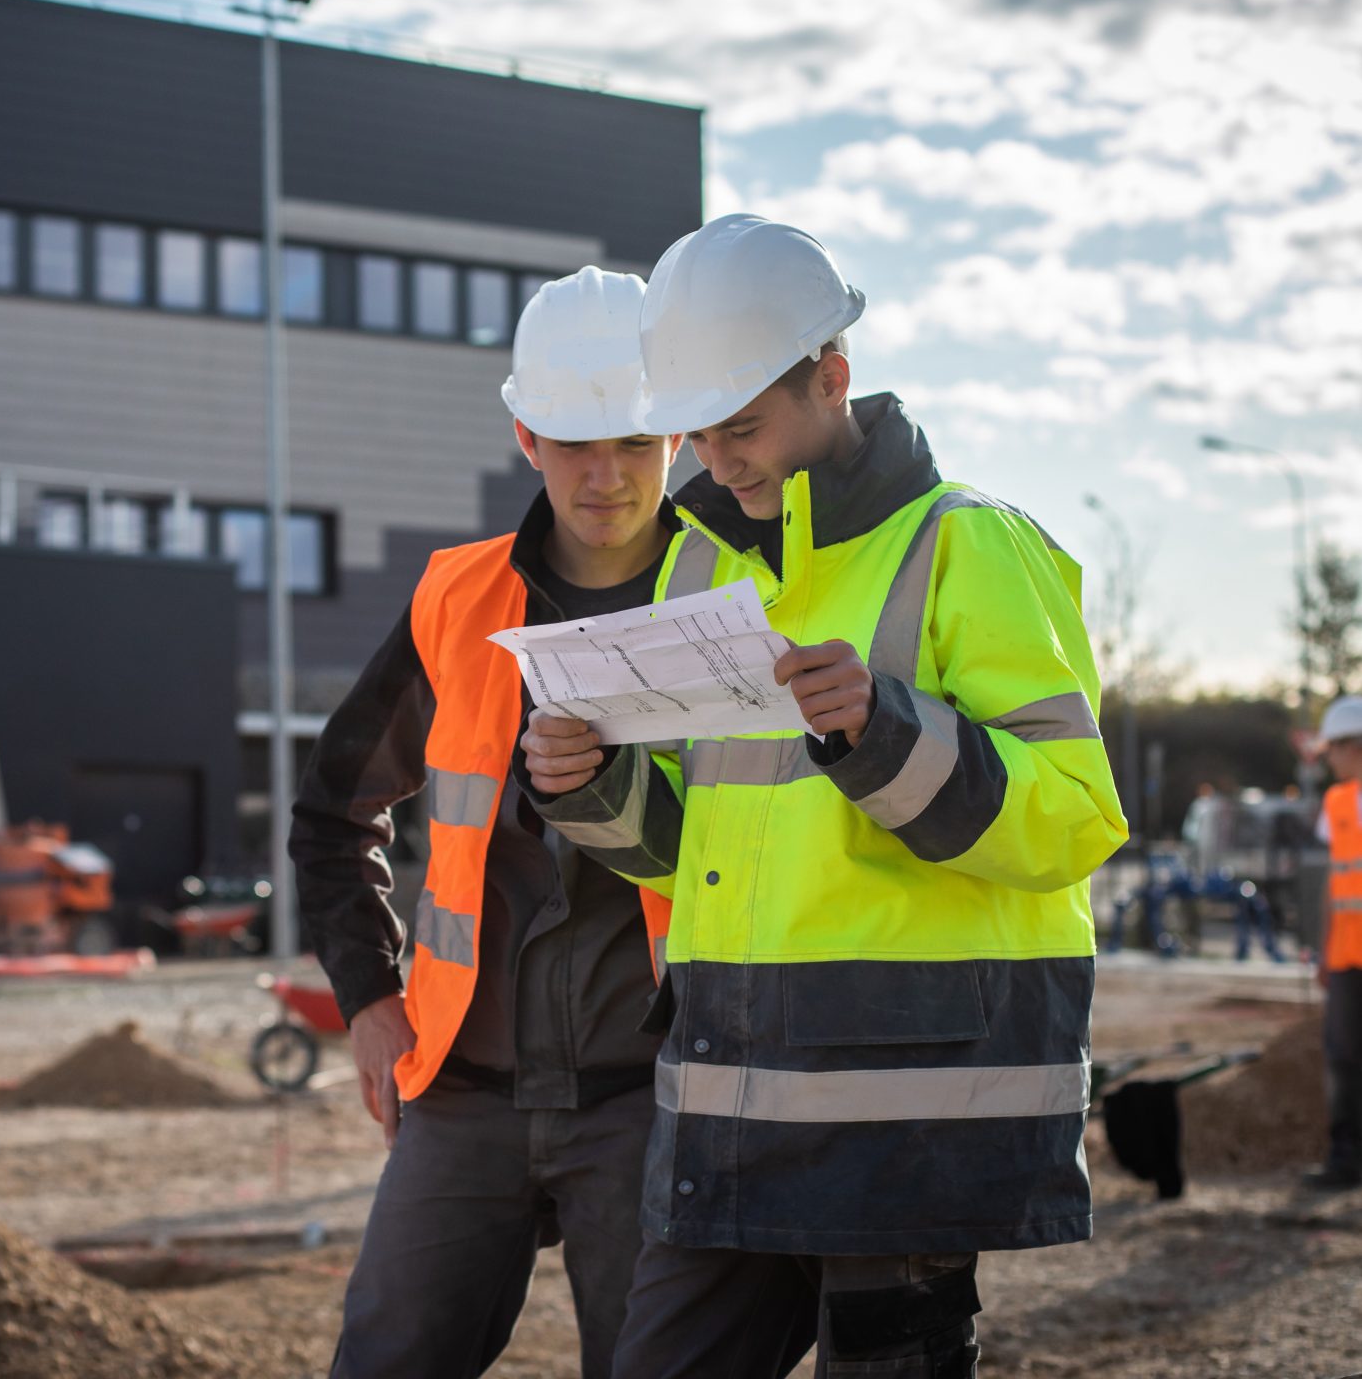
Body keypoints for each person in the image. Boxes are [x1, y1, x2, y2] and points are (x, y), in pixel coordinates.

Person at [520, 214, 1127, 1378]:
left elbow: (1073, 815)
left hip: (906, 1120)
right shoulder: (704, 563)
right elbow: (697, 851)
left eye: (740, 426)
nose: (716, 458)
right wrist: (592, 785)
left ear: (832, 379)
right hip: (726, 1103)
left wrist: (882, 730)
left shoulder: (969, 545)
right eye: (696, 431)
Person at [290, 266, 681, 1379]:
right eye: (575, 445)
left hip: (652, 1100)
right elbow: (331, 814)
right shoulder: (456, 604)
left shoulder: (732, 603)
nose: (607, 477)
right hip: (463, 1094)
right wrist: (368, 1000)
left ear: (680, 442)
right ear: (526, 437)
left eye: (638, 445)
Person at [1303, 693, 1362, 1190]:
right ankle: (1346, 1160)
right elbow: (1333, 882)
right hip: (1345, 956)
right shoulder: (1337, 802)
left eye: (1334, 751)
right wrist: (1324, 948)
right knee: (1343, 1057)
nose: (1330, 761)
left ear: (1352, 745)